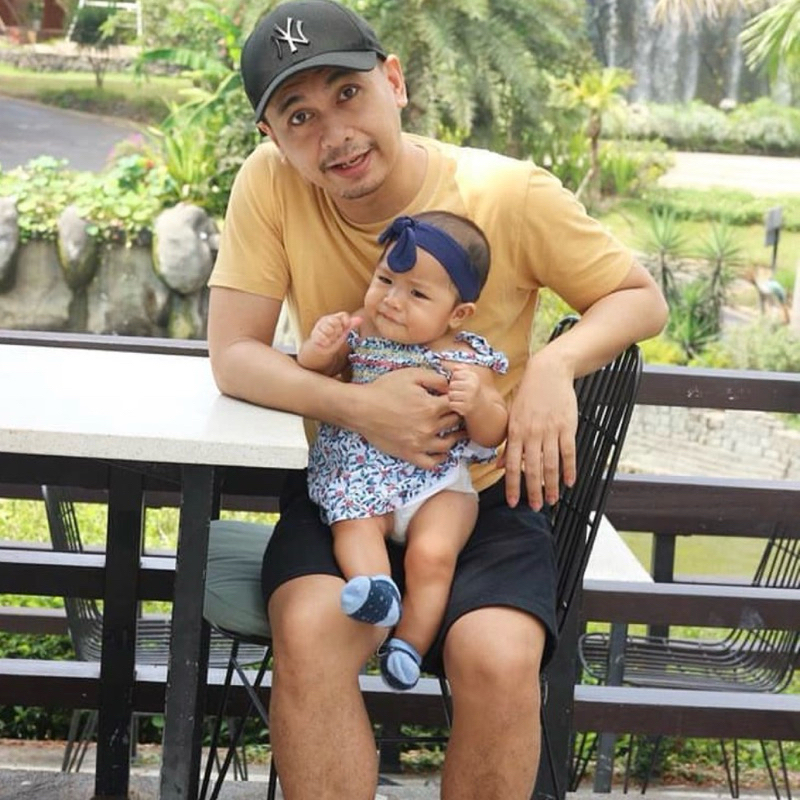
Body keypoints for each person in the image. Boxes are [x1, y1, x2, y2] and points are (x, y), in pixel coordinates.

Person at [206, 1, 669, 797]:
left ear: (393, 82)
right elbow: (234, 355)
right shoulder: (271, 185)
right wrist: (361, 408)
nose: (334, 134)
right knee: (311, 631)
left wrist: (554, 367)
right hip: (345, 489)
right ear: (273, 138)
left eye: (348, 93)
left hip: (480, 496)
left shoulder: (506, 194)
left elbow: (640, 297)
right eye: (300, 116)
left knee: (500, 657)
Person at [297, 210, 509, 691]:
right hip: (361, 476)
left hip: (438, 486)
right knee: (353, 524)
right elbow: (315, 372)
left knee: (433, 555)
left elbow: (493, 430)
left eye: (417, 294)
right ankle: (377, 589)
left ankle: (409, 645)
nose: (392, 301)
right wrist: (320, 347)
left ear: (458, 314)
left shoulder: (467, 358)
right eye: (385, 280)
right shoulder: (362, 336)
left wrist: (478, 402)